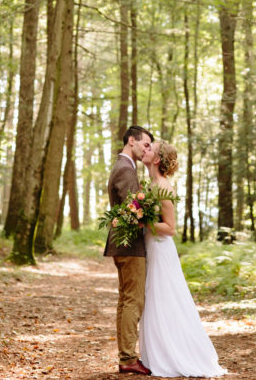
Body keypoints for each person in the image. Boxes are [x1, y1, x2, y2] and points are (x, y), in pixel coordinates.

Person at [139, 140, 227, 378]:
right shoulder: (151, 184)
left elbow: (170, 227)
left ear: (157, 159)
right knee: (153, 298)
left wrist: (141, 220)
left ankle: (173, 354)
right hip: (151, 246)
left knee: (164, 298)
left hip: (160, 248)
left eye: (150, 149)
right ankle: (156, 352)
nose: (145, 149)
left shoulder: (163, 186)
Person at [104, 125, 154, 375]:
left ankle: (126, 356)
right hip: (129, 244)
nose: (147, 149)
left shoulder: (124, 166)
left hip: (122, 244)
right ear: (131, 140)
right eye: (145, 144)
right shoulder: (125, 169)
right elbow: (131, 210)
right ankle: (127, 358)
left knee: (126, 300)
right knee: (133, 300)